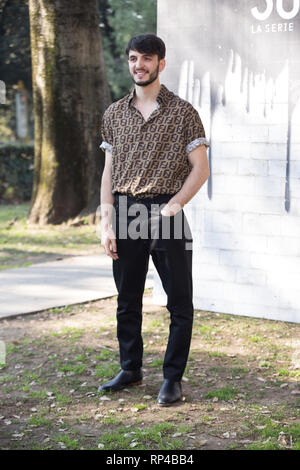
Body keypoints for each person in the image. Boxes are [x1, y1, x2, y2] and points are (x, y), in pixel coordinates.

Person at [98, 33, 210, 405]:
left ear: (161, 63)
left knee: (179, 302)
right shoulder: (114, 113)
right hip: (126, 209)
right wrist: (107, 221)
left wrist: (173, 206)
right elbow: (109, 172)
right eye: (133, 58)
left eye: (147, 59)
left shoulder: (183, 112)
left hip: (167, 210)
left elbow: (200, 169)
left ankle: (172, 379)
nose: (139, 65)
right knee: (126, 299)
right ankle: (130, 369)